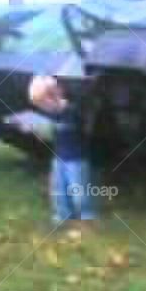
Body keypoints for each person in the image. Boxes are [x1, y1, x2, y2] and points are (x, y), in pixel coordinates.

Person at [28, 74, 97, 225]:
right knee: (58, 189)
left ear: (55, 95)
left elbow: (84, 126)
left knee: (78, 189)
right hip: (59, 158)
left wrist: (62, 109)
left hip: (76, 158)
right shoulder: (53, 113)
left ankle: (86, 215)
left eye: (43, 104)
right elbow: (55, 134)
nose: (43, 109)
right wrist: (36, 132)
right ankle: (62, 215)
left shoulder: (72, 110)